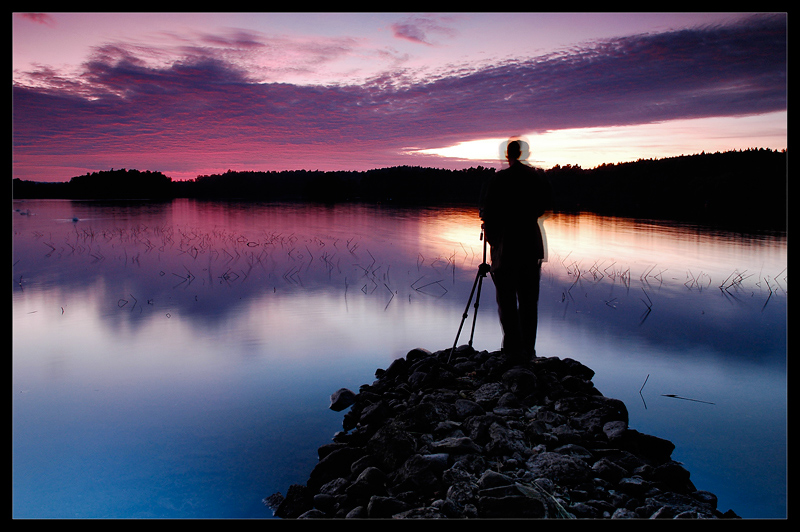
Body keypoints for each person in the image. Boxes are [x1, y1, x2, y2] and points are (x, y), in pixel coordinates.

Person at [480, 138, 552, 363]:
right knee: (529, 301)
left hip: (507, 247)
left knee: (507, 299)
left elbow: (488, 212)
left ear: (507, 155)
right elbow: (542, 207)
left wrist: (492, 235)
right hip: (530, 246)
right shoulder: (535, 177)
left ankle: (511, 348)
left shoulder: (500, 179)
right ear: (522, 153)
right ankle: (528, 350)